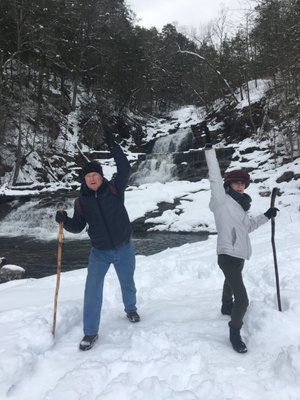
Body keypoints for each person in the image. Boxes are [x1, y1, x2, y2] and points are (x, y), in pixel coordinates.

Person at [55, 124, 139, 351]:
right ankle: (90, 333)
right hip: (99, 253)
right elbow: (78, 226)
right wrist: (64, 222)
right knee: (91, 292)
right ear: (84, 180)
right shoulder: (81, 201)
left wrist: (113, 146)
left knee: (127, 283)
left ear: (101, 177)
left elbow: (124, 167)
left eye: (95, 175)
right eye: (88, 176)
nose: (91, 179)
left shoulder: (115, 189)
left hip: (123, 248)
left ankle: (130, 309)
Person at [203, 124, 278, 353]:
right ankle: (234, 331)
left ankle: (226, 306)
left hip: (240, 255)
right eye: (237, 183)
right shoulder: (221, 201)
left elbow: (248, 227)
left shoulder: (242, 207)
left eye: (243, 184)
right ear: (228, 185)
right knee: (243, 300)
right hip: (227, 254)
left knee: (230, 282)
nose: (241, 186)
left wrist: (266, 216)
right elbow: (215, 177)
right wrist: (209, 149)